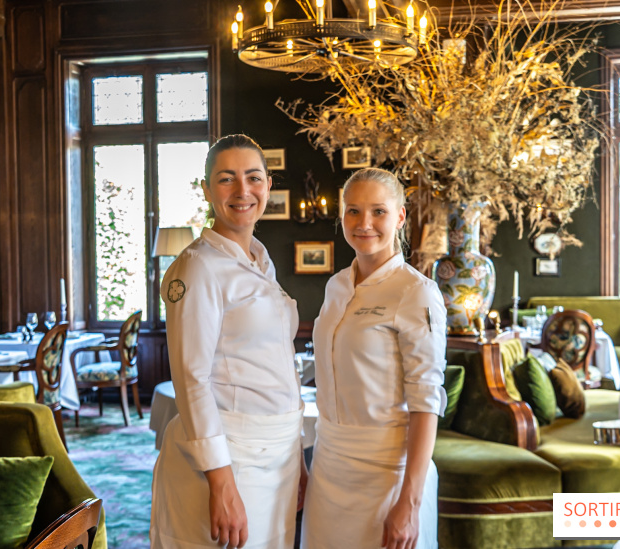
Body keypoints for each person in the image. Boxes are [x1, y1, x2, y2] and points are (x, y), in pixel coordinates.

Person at [150, 134, 306, 549]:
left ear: (268, 185)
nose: (243, 191)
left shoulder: (259, 258)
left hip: (278, 452)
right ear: (205, 189)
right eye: (226, 179)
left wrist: (298, 458)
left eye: (254, 178)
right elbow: (191, 377)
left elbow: (276, 359)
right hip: (229, 456)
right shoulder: (197, 266)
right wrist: (220, 480)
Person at [301, 168, 447, 549]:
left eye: (378, 211)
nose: (364, 223)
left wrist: (409, 503)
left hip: (387, 475)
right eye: (353, 211)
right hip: (328, 463)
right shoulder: (336, 286)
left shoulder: (417, 292)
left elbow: (426, 401)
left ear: (400, 216)